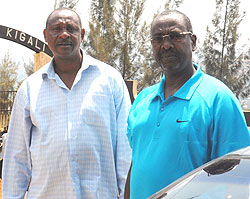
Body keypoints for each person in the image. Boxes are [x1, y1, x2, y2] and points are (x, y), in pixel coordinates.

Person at [3, 8, 131, 199]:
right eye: (56, 29)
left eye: (71, 28)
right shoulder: (30, 88)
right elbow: (16, 156)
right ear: (46, 35)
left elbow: (125, 146)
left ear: (82, 34)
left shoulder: (110, 80)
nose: (64, 34)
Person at [125, 10, 250, 199]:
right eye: (158, 39)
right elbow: (136, 164)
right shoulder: (143, 100)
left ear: (193, 41)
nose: (166, 45)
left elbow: (238, 176)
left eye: (175, 36)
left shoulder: (218, 99)